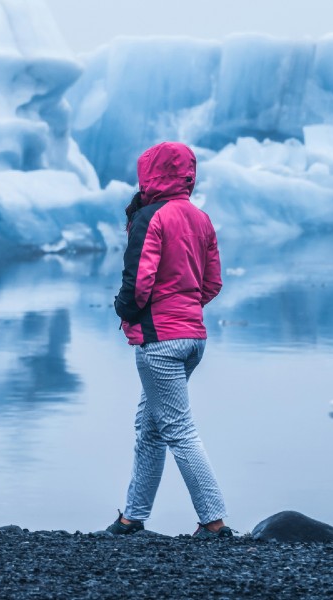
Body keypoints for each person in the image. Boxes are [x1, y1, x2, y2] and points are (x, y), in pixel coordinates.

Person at [106, 141, 232, 539]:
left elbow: (138, 282)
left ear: (151, 173)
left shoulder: (150, 216)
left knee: (177, 429)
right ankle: (132, 519)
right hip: (193, 337)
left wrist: (124, 310)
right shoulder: (201, 219)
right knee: (150, 426)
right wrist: (185, 306)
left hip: (161, 340)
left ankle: (214, 522)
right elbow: (212, 283)